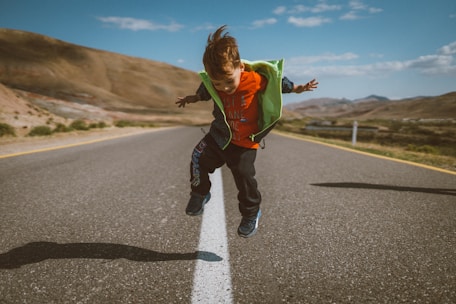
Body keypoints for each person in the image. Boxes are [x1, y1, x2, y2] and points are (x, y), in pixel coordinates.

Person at [176, 25, 318, 238]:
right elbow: (206, 90)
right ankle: (199, 193)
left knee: (244, 178)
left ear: (240, 67)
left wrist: (298, 88)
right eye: (217, 83)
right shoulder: (214, 83)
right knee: (197, 157)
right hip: (219, 135)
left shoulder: (254, 79)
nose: (223, 88)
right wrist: (193, 98)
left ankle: (251, 213)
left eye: (228, 81)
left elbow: (277, 82)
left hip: (244, 142)